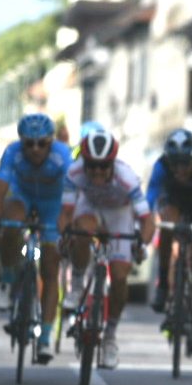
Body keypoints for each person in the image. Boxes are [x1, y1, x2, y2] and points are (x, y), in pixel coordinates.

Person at [62, 129, 155, 369]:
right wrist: (64, 235)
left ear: (112, 163)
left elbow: (147, 219)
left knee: (121, 277)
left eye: (103, 167)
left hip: (119, 214)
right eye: (91, 166)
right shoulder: (74, 173)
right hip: (90, 208)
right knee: (80, 231)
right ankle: (77, 285)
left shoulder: (127, 178)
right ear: (84, 163)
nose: (97, 172)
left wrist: (140, 243)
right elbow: (65, 214)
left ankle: (110, 336)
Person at [0, 113, 74, 364]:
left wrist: (65, 224)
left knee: (50, 267)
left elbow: (70, 198)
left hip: (52, 204)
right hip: (22, 197)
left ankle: (45, 337)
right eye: (29, 144)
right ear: (21, 142)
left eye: (42, 143)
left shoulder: (63, 155)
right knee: (10, 221)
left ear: (51, 141)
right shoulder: (12, 152)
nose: (35, 149)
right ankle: (7, 279)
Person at [146, 127, 192, 356]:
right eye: (174, 164)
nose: (179, 170)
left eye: (184, 164)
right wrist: (146, 219)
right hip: (174, 200)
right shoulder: (161, 165)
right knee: (168, 223)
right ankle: (162, 285)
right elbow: (150, 197)